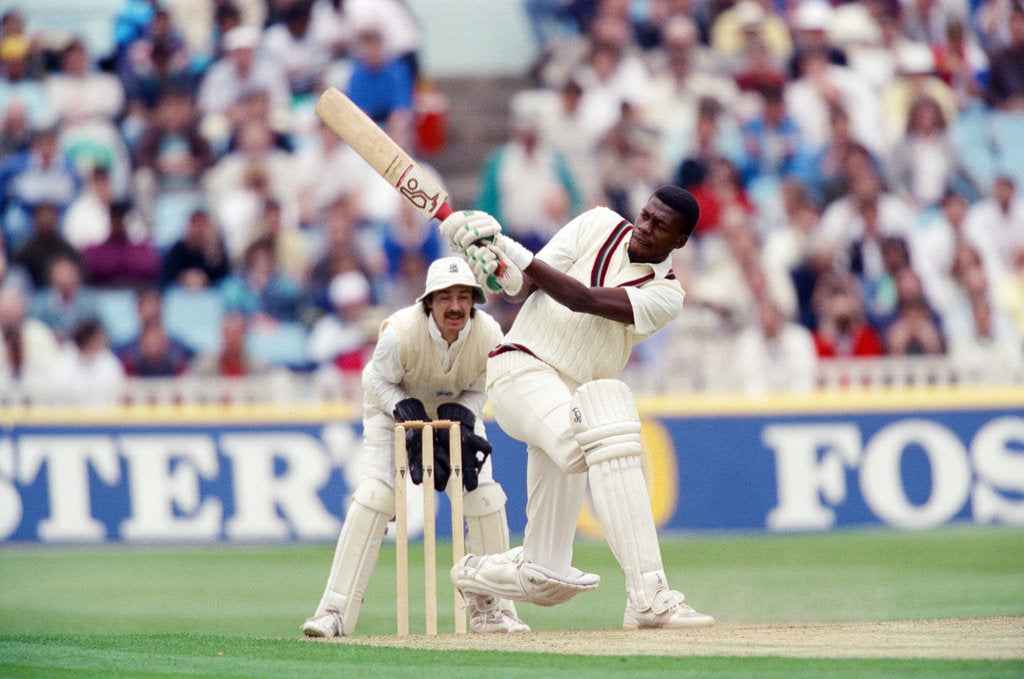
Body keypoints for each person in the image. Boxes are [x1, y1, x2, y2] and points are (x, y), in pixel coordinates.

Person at [440, 186, 715, 628]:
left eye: (660, 226)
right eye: (645, 215)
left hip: (570, 403)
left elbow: (582, 299)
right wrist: (497, 268)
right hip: (521, 369)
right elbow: (529, 283)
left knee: (544, 578)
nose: (644, 227)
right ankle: (648, 597)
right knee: (606, 442)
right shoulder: (598, 223)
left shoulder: (666, 295)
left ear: (679, 242)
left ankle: (474, 575)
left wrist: (506, 247)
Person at [301, 257, 529, 637]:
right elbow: (374, 378)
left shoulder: (490, 333)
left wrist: (465, 411)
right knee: (375, 498)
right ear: (429, 303)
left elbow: (486, 385)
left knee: (485, 499)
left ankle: (494, 612)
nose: (454, 307)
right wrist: (399, 406)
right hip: (390, 412)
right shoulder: (401, 332)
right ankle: (334, 613)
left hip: (456, 415)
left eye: (462, 297)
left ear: (474, 300)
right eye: (445, 298)